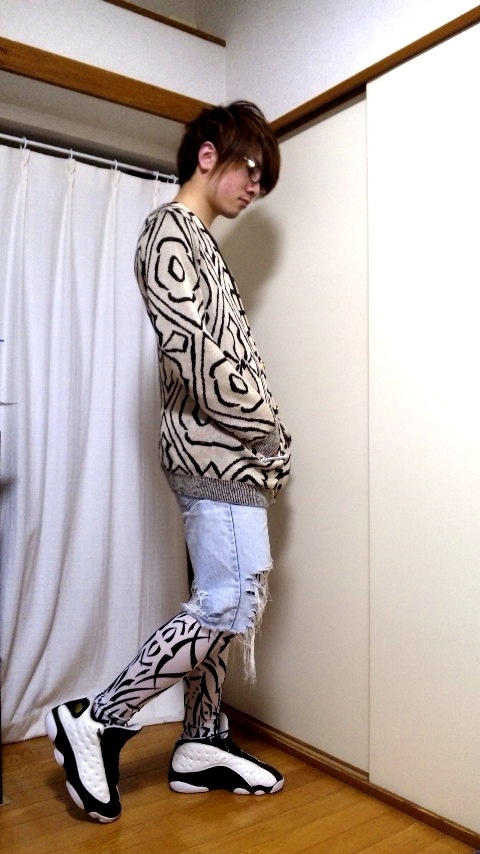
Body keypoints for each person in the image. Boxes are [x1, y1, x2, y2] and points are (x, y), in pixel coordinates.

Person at [45, 100, 292, 823]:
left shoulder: (204, 245)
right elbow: (194, 357)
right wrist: (270, 429)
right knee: (227, 603)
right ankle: (97, 719)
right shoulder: (167, 234)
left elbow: (226, 354)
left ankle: (202, 740)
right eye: (252, 169)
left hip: (233, 455)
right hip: (214, 454)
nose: (255, 188)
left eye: (264, 180)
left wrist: (266, 439)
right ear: (209, 155)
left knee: (227, 597)